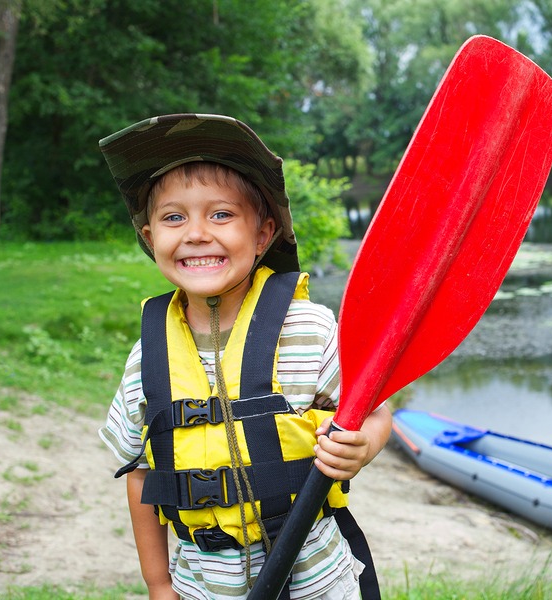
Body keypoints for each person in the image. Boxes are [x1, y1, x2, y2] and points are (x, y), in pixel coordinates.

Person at [97, 114, 392, 600]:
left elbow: (375, 410)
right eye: (174, 217)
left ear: (263, 234)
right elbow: (142, 475)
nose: (195, 233)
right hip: (203, 586)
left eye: (221, 215)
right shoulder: (147, 356)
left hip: (317, 579)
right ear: (151, 239)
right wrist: (157, 584)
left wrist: (367, 444)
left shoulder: (310, 329)